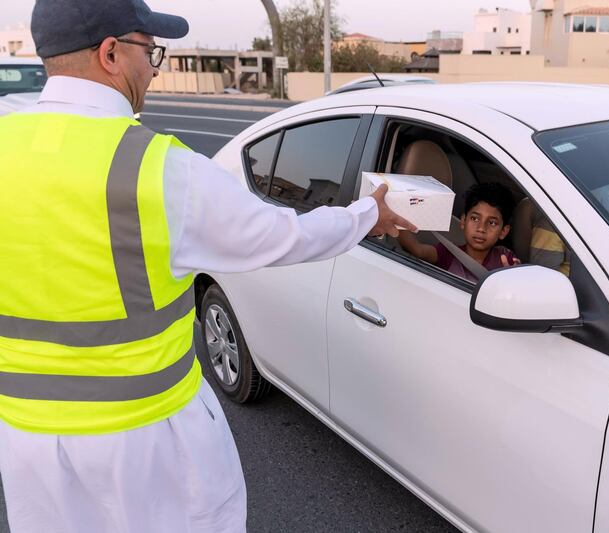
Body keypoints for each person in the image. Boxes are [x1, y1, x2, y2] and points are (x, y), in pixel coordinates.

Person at [0, 1, 414, 532]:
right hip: (147, 441)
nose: (153, 68)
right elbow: (284, 237)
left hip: (29, 444)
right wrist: (367, 214)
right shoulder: (157, 169)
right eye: (150, 52)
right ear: (110, 54)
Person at [399, 182, 520, 282]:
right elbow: (418, 250)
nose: (481, 228)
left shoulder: (505, 258)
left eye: (492, 222)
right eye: (475, 218)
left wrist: (515, 277)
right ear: (463, 221)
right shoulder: (447, 254)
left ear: (503, 231)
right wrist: (396, 217)